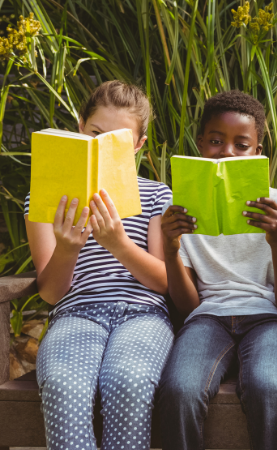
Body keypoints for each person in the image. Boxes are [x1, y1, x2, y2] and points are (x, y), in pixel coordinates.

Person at [26, 80, 173, 450]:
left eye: (118, 140)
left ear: (138, 145)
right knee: (62, 384)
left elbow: (164, 281)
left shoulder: (156, 194)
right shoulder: (44, 197)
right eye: (95, 133)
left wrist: (118, 244)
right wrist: (67, 248)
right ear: (80, 127)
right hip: (76, 312)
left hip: (144, 315)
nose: (101, 144)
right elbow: (50, 292)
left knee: (128, 381)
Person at [157, 90, 277, 450]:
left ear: (258, 151)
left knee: (269, 386)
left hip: (269, 318)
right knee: (180, 389)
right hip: (209, 318)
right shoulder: (181, 207)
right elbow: (189, 306)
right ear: (200, 143)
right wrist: (172, 250)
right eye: (216, 142)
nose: (227, 152)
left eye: (242, 145)